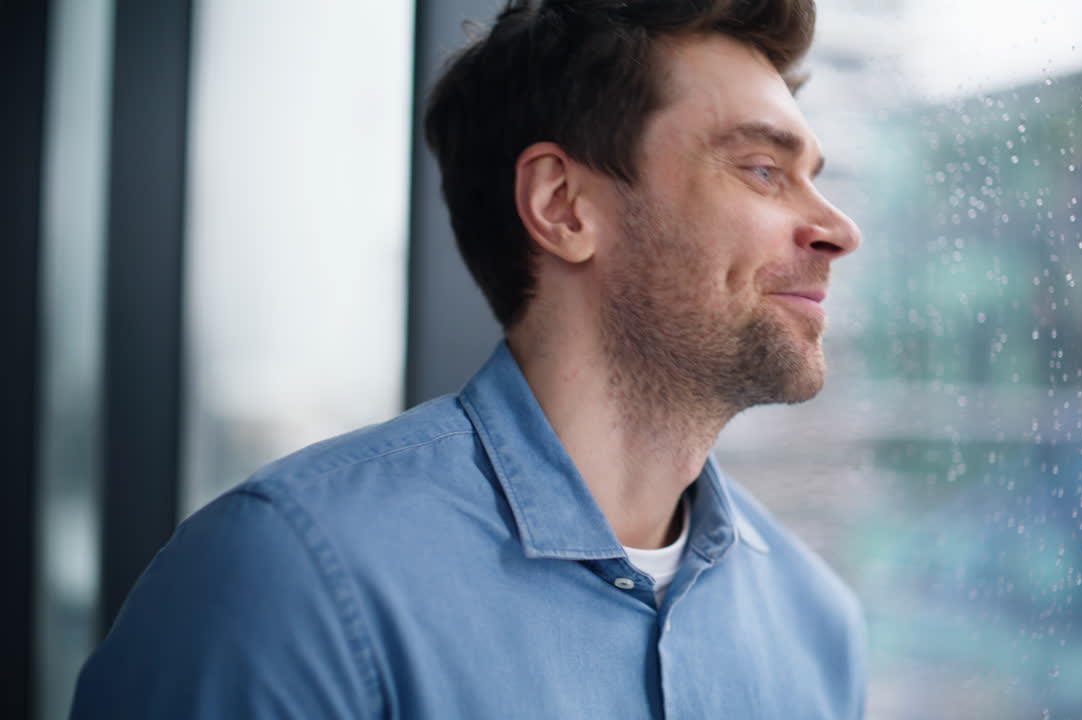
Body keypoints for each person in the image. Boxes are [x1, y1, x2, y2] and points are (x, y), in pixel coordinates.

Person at [70, 0, 866, 717]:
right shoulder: (285, 580)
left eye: (812, 179)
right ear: (562, 206)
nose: (839, 230)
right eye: (763, 169)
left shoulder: (817, 626)